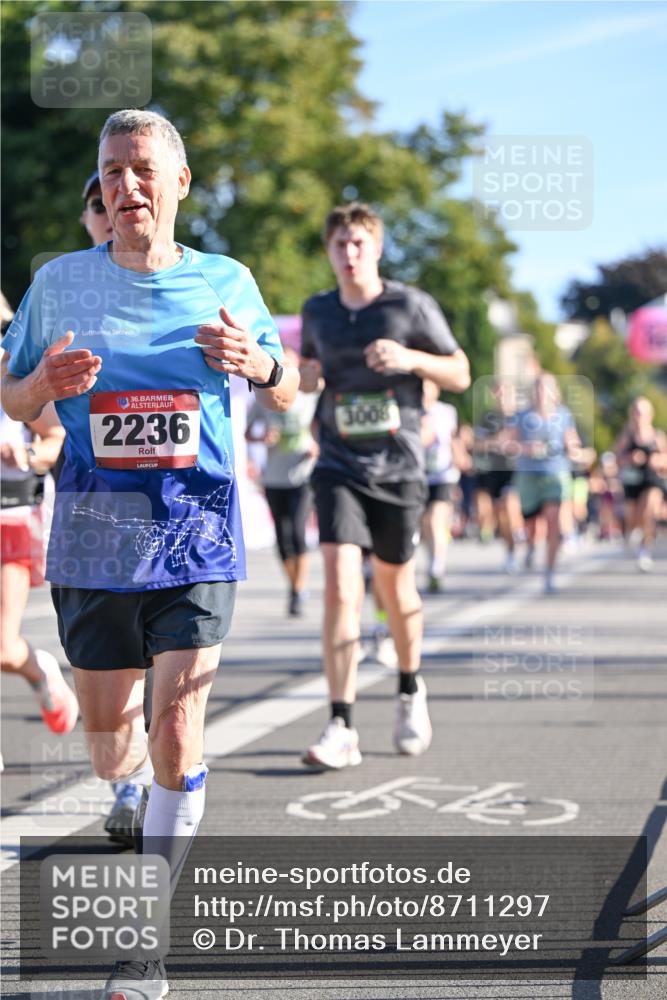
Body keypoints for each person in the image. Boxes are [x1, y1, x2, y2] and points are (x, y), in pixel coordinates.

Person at [2, 109, 298, 1000]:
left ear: (177, 183)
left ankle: (147, 940)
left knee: (177, 731)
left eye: (141, 169)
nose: (126, 186)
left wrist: (254, 362)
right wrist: (42, 387)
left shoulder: (226, 279)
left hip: (196, 533)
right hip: (95, 543)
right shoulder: (59, 283)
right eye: (112, 170)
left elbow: (283, 382)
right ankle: (124, 793)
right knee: (110, 745)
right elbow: (13, 402)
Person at [299, 202, 470, 769]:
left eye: (359, 244)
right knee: (341, 588)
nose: (349, 254)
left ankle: (409, 688)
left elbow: (461, 372)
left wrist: (410, 358)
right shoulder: (317, 310)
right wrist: (303, 377)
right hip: (337, 464)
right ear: (328, 252)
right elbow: (305, 372)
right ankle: (341, 723)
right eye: (339, 245)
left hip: (399, 467)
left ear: (376, 249)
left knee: (396, 593)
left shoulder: (409, 304)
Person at [1, 364, 76, 735]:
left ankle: (39, 669)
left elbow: (54, 438)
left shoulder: (10, 372)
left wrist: (25, 455)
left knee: (2, 648)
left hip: (8, 522)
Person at [246, 345, 318, 616]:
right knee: (282, 539)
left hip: (303, 473)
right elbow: (247, 433)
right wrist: (261, 438)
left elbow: (322, 428)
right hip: (274, 476)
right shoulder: (264, 398)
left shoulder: (311, 397)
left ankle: (298, 590)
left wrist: (317, 447)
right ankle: (295, 584)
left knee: (298, 534)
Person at [509, 373, 590, 594]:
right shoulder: (522, 416)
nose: (541, 393)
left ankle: (549, 573)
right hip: (528, 475)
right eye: (538, 388)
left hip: (555, 473)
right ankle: (531, 547)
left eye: (546, 388)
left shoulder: (563, 415)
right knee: (532, 525)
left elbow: (572, 442)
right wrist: (527, 448)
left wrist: (575, 451)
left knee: (553, 520)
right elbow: (509, 444)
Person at [473, 379, 523, 573]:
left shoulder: (521, 418)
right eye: (498, 394)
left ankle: (517, 541)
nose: (502, 399)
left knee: (510, 508)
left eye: (505, 394)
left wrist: (515, 446)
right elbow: (476, 445)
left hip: (513, 471)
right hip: (491, 471)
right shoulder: (487, 419)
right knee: (498, 515)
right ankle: (510, 549)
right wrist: (495, 442)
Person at [420, 378, 464, 593]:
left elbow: (453, 438)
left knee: (436, 519)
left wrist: (460, 457)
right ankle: (432, 558)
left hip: (444, 474)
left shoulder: (446, 411)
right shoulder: (411, 410)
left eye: (429, 386)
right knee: (425, 524)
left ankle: (437, 567)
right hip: (420, 475)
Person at [614, 396, 667, 571]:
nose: (639, 417)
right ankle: (637, 536)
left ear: (649, 415)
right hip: (632, 482)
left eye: (643, 413)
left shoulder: (657, 436)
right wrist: (631, 459)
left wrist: (657, 460)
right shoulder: (627, 437)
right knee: (635, 518)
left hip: (652, 479)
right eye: (636, 413)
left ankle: (645, 550)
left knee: (649, 509)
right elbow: (616, 460)